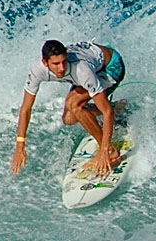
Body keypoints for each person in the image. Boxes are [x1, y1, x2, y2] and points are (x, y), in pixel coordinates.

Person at [11, 40, 126, 177]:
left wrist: (104, 150)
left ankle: (110, 151)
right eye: (56, 64)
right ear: (45, 62)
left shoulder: (81, 70)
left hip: (111, 67)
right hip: (93, 66)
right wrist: (20, 145)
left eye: (64, 62)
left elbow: (107, 112)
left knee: (74, 104)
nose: (61, 68)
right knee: (69, 118)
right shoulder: (37, 70)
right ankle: (118, 108)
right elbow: (26, 108)